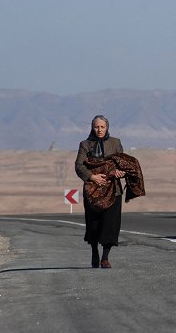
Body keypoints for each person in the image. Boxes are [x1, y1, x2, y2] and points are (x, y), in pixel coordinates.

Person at [75, 115, 125, 269]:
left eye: (102, 127)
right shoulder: (85, 145)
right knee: (94, 224)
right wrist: (92, 177)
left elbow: (122, 162)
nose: (100, 130)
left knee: (110, 224)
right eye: (97, 127)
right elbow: (79, 166)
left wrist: (119, 172)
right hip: (93, 192)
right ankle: (94, 252)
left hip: (113, 191)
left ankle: (105, 258)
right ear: (92, 127)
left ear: (107, 127)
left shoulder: (115, 143)